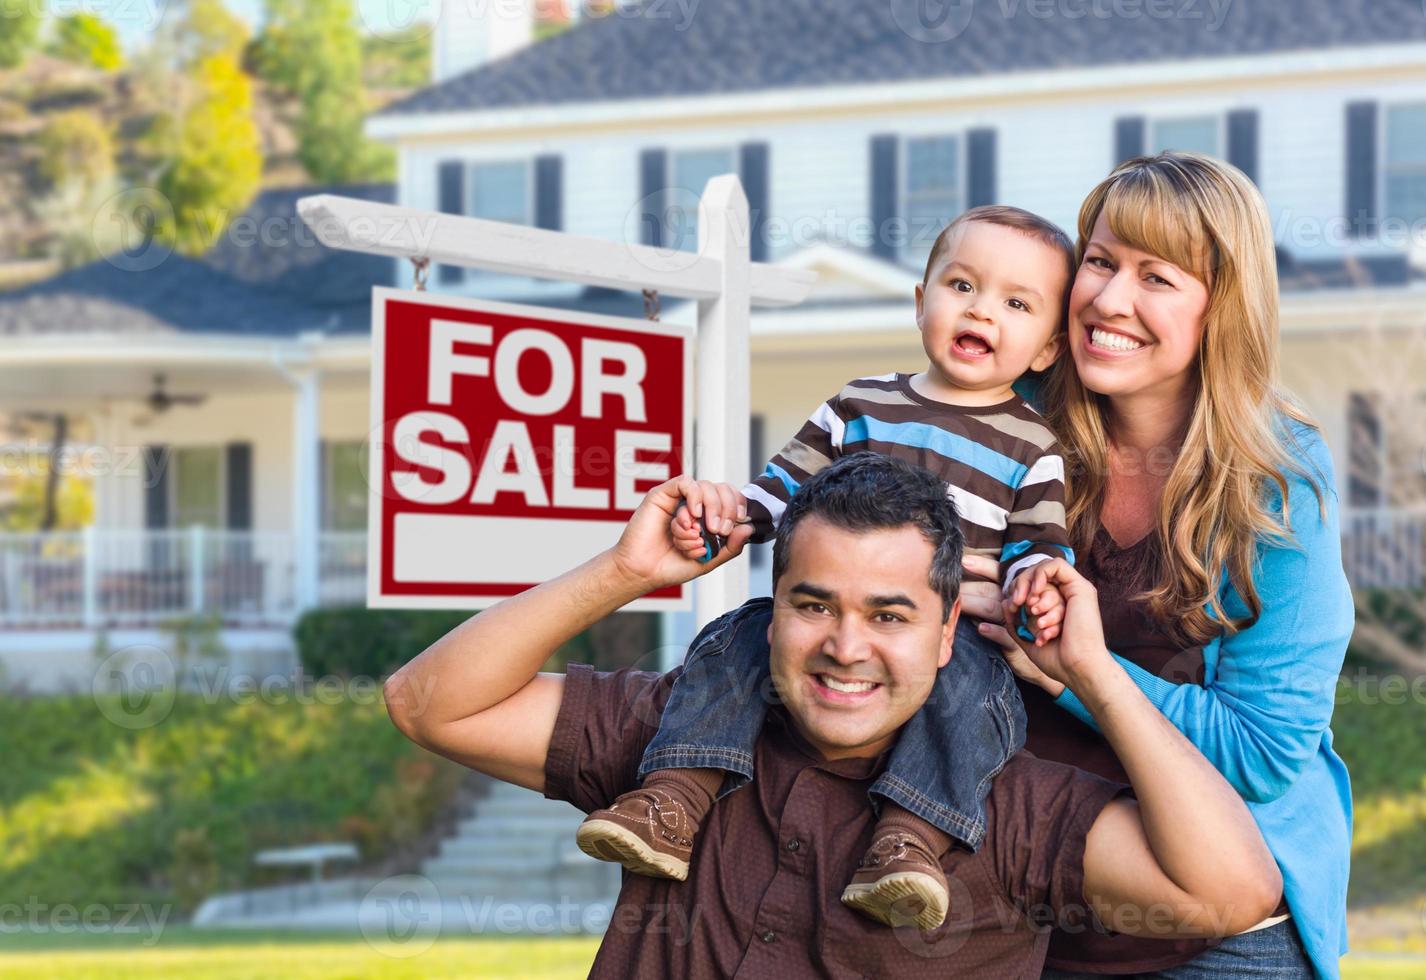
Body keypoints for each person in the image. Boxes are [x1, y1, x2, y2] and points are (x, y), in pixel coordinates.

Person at [381, 453, 1284, 978]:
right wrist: (625, 575)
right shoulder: (678, 741)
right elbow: (427, 704)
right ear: (768, 613)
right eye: (813, 606)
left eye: (890, 616)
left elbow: (1231, 891)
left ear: (945, 637)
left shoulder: (1004, 809)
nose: (846, 646)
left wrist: (1089, 670)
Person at [576, 205, 1077, 931]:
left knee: (975, 694)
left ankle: (910, 841)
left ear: (1046, 350)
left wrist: (1035, 586)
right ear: (921, 301)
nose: (981, 311)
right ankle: (674, 796)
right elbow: (782, 491)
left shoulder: (1033, 446)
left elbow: (1041, 546)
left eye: (1015, 303)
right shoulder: (860, 404)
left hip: (952, 628)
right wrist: (727, 518)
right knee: (737, 637)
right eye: (961, 285)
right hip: (830, 613)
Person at [980, 153, 1354, 979]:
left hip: (1220, 927)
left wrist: (1071, 673)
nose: (1111, 300)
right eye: (1103, 262)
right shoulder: (1007, 427)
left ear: (1221, 308)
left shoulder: (1276, 480)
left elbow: (1260, 750)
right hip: (1016, 903)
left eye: (1159, 278)